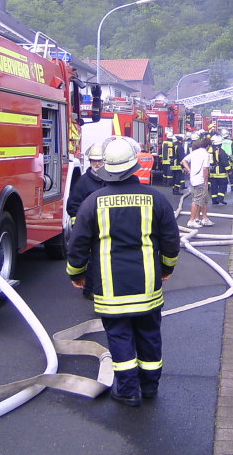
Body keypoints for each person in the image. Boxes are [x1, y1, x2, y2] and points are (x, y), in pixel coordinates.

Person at [66, 136, 180, 407]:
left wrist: (76, 274)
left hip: (110, 290)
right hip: (147, 288)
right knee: (149, 336)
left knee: (119, 338)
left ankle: (128, 391)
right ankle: (150, 387)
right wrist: (166, 268)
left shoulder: (93, 201)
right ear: (134, 167)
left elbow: (77, 243)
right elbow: (171, 240)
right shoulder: (156, 199)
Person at [66, 143, 106, 300]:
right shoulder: (83, 182)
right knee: (91, 259)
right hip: (91, 227)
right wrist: (79, 226)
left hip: (107, 226)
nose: (96, 164)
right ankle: (89, 290)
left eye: (100, 161)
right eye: (94, 161)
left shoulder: (110, 179)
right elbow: (73, 206)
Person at [181, 133, 213, 229]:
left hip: (193, 179)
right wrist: (206, 181)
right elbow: (205, 169)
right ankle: (191, 220)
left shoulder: (195, 152)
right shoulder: (206, 155)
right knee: (197, 201)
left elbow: (183, 161)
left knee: (203, 199)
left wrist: (190, 170)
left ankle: (203, 218)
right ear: (208, 146)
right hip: (201, 180)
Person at [208, 135, 230, 206]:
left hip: (212, 173)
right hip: (221, 173)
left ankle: (214, 200)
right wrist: (229, 170)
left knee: (213, 187)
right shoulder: (222, 152)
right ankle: (220, 198)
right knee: (223, 185)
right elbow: (225, 162)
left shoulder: (209, 151)